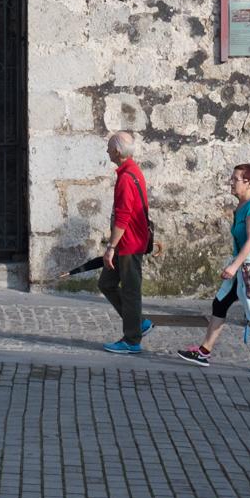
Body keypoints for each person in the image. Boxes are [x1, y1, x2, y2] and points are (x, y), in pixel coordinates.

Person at [176, 163, 250, 374]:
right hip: (242, 265)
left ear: (248, 183)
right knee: (220, 303)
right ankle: (204, 351)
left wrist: (234, 266)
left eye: (235, 179)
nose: (231, 182)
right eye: (232, 178)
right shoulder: (241, 206)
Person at [98, 131, 153, 355]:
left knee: (130, 291)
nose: (107, 151)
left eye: (109, 148)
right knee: (106, 283)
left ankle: (132, 340)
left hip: (129, 243)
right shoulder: (133, 171)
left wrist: (111, 247)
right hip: (131, 241)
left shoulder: (125, 178)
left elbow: (123, 217)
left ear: (117, 152)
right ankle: (138, 322)